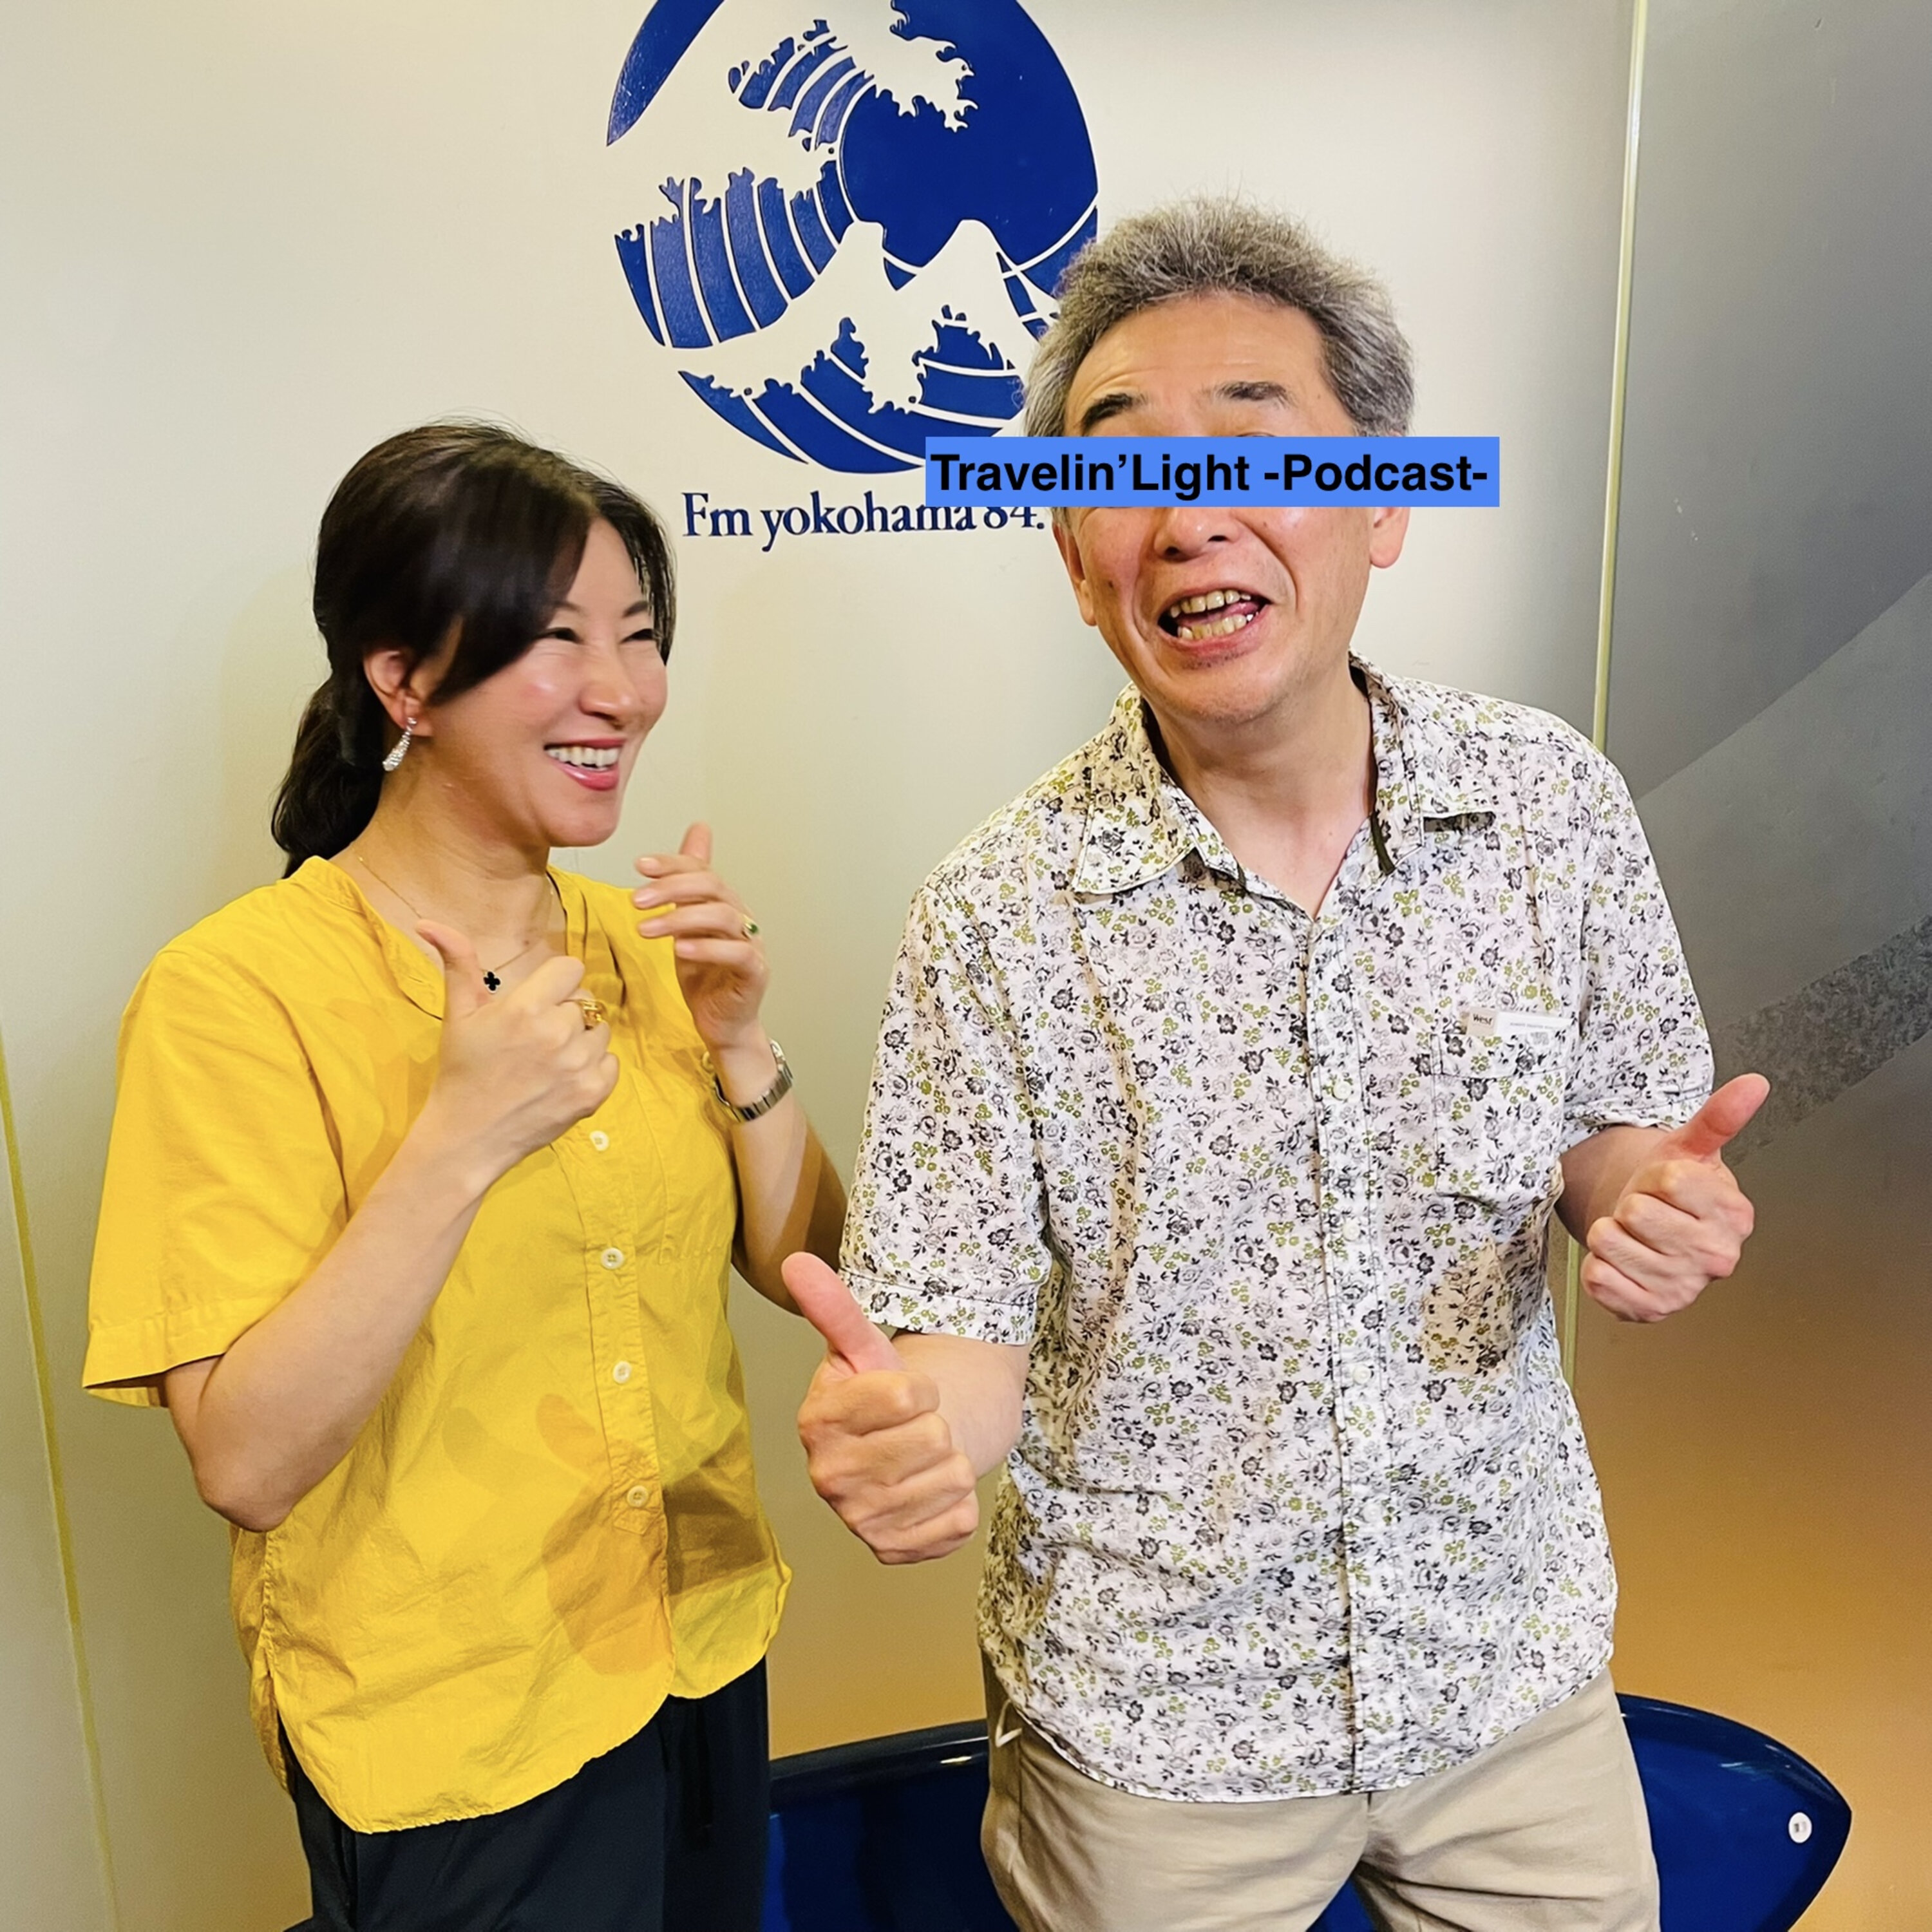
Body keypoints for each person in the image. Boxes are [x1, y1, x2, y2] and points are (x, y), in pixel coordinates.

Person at [785, 200, 1766, 1932]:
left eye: (1254, 445)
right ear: (1072, 556)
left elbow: (1611, 1140)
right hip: (1155, 1739)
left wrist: (1644, 1199)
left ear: (1384, 502)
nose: (1187, 517)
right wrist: (916, 1432)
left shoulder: (1548, 806)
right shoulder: (996, 915)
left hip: (1506, 1674)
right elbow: (959, 1342)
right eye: (1119, 470)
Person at [83, 422, 843, 1932]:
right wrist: (464, 1135)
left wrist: (741, 1044)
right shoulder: (235, 993)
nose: (622, 690)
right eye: (557, 639)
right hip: (455, 1731)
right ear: (404, 682)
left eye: (639, 634)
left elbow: (807, 1267)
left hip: (698, 1652)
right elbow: (245, 1461)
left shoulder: (637, 945)